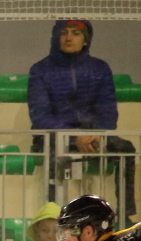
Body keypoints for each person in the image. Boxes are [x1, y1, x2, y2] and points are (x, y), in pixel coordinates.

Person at [28, 20, 136, 222]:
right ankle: (53, 217)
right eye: (64, 33)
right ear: (56, 37)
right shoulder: (40, 70)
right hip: (55, 138)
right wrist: (74, 136)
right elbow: (41, 116)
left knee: (126, 149)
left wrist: (98, 134)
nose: (69, 38)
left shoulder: (100, 69)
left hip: (92, 136)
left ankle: (125, 213)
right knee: (53, 152)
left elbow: (107, 109)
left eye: (75, 34)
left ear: (85, 40)